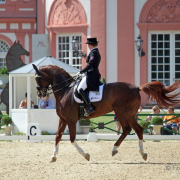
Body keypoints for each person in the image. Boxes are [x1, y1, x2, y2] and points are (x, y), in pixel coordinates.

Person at [77, 37, 101, 117]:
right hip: (91, 73)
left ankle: (90, 107)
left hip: (91, 74)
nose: (87, 46)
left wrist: (81, 71)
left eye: (88, 45)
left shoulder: (93, 52)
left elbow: (90, 65)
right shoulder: (94, 52)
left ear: (90, 45)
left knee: (80, 89)